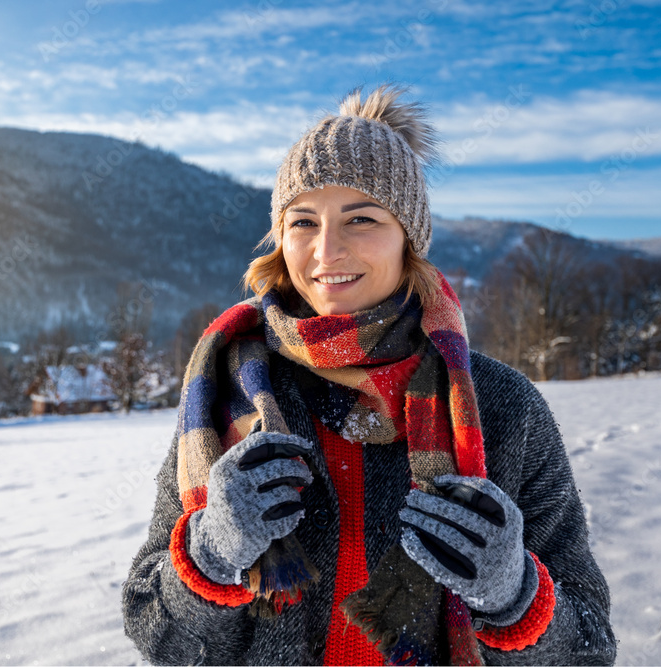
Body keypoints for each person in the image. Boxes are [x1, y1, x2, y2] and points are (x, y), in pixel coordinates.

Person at [121, 84, 616, 666]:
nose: (327, 250)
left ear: (410, 238)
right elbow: (157, 635)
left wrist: (514, 598)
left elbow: (589, 649)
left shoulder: (504, 407)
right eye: (303, 222)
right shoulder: (230, 394)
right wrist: (210, 554)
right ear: (280, 241)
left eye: (361, 218)